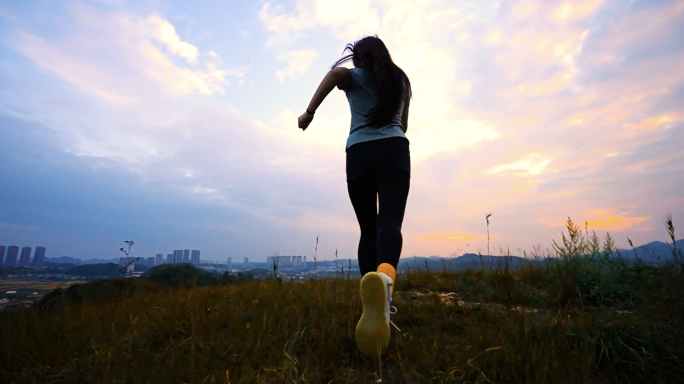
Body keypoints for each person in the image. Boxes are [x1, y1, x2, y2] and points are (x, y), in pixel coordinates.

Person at [298, 35, 411, 358]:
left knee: (368, 229)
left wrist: (309, 112)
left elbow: (336, 76)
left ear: (359, 58)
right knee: (390, 223)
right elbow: (403, 124)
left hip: (359, 152)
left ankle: (369, 298)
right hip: (394, 149)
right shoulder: (400, 80)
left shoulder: (357, 76)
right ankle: (385, 285)